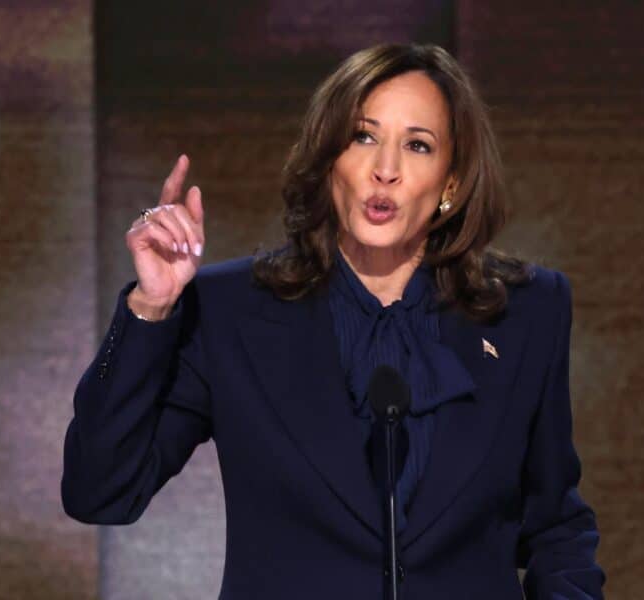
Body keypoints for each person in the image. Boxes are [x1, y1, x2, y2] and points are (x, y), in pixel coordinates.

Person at [62, 42, 604, 599]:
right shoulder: (231, 312)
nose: (385, 171)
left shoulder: (526, 312)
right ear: (328, 157)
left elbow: (555, 528)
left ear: (451, 183)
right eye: (363, 136)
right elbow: (100, 491)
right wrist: (151, 308)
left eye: (417, 146)